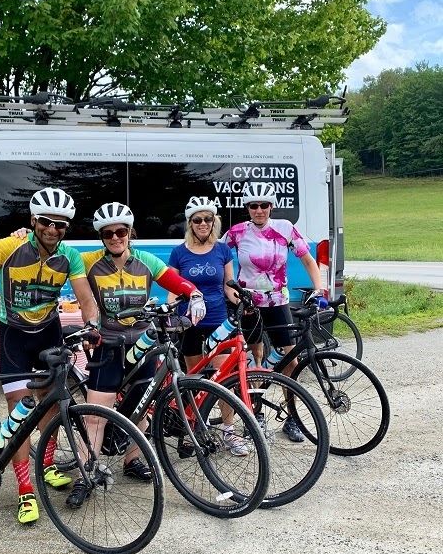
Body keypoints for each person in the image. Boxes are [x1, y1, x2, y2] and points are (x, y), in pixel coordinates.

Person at [0, 187, 99, 525]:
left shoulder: (70, 255)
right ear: (34, 221)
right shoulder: (9, 247)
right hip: (14, 337)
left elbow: (84, 297)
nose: (53, 229)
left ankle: (48, 463)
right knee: (18, 418)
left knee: (51, 407)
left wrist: (92, 324)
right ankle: (25, 490)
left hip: (48, 331)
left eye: (62, 224)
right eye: (47, 222)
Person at [66, 201, 206, 509]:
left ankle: (133, 459)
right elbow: (53, 254)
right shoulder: (88, 261)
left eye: (121, 232)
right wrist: (22, 235)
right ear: (101, 237)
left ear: (130, 233)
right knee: (94, 415)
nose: (115, 238)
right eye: (108, 233)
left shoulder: (145, 260)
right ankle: (84, 474)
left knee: (142, 407)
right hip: (108, 345)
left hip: (143, 344)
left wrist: (193, 293)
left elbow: (173, 279)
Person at [220, 182, 327, 442]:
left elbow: (308, 260)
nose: (259, 210)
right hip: (250, 305)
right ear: (247, 208)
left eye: (264, 205)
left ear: (272, 206)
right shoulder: (236, 232)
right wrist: (232, 296)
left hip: (278, 301)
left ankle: (292, 417)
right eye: (253, 206)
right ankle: (256, 415)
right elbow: (221, 263)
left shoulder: (285, 229)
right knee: (255, 361)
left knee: (290, 360)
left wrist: (320, 289)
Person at [167, 196, 247, 456]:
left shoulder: (222, 250)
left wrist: (243, 301)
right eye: (197, 220)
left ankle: (229, 431)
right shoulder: (179, 252)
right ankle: (193, 429)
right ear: (190, 223)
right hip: (189, 321)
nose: (203, 224)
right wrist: (170, 312)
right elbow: (172, 286)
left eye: (208, 219)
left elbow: (228, 284)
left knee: (223, 377)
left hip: (218, 320)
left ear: (214, 222)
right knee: (193, 378)